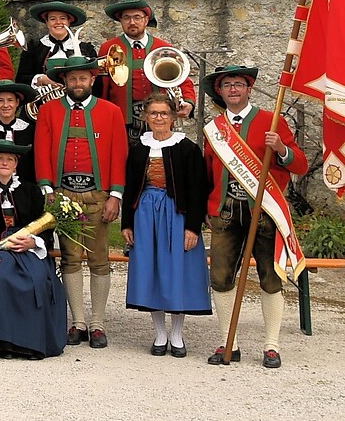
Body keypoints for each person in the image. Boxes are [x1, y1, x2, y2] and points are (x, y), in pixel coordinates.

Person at [201, 63, 307, 368]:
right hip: (225, 212)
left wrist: (282, 149)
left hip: (265, 212)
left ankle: (271, 346)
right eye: (227, 85)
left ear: (249, 89)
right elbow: (209, 174)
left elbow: (299, 164)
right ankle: (228, 344)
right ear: (219, 92)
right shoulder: (214, 129)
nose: (233, 90)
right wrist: (209, 209)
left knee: (270, 277)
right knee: (220, 278)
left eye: (238, 84)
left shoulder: (272, 122)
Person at [34, 52, 128, 349]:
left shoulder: (111, 111)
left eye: (83, 78)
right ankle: (78, 321)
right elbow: (42, 150)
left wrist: (115, 194)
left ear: (93, 79)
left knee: (99, 258)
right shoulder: (49, 111)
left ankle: (98, 323)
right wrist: (47, 190)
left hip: (98, 194)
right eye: (72, 78)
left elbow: (119, 154)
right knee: (71, 257)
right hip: (63, 194)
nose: (78, 82)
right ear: (64, 81)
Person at [122, 94, 210, 357]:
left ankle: (177, 335)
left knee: (176, 272)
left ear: (173, 117)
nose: (158, 118)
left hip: (176, 214)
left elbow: (198, 190)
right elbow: (129, 188)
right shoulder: (138, 149)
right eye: (153, 113)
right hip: (146, 214)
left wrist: (193, 227)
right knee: (152, 272)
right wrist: (127, 223)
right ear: (146, 117)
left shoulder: (187, 148)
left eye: (163, 113)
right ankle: (160, 334)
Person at [0, 139, 66, 359]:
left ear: (16, 164)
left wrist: (34, 242)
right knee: (1, 276)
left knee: (38, 278)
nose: (4, 162)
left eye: (9, 159)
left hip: (27, 250)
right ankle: (4, 342)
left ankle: (32, 342)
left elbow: (46, 229)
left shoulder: (30, 191)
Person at [99, 0, 199, 133]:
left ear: (146, 20)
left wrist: (188, 101)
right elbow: (102, 86)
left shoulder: (163, 47)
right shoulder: (108, 48)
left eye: (137, 17)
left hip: (160, 117)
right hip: (122, 120)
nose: (132, 22)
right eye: (126, 18)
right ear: (120, 21)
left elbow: (181, 79)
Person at [16, 1, 94, 92]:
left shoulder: (87, 49)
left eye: (63, 18)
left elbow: (95, 81)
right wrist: (42, 79)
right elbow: (21, 79)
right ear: (46, 22)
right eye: (52, 19)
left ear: (69, 22)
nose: (58, 22)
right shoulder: (33, 48)